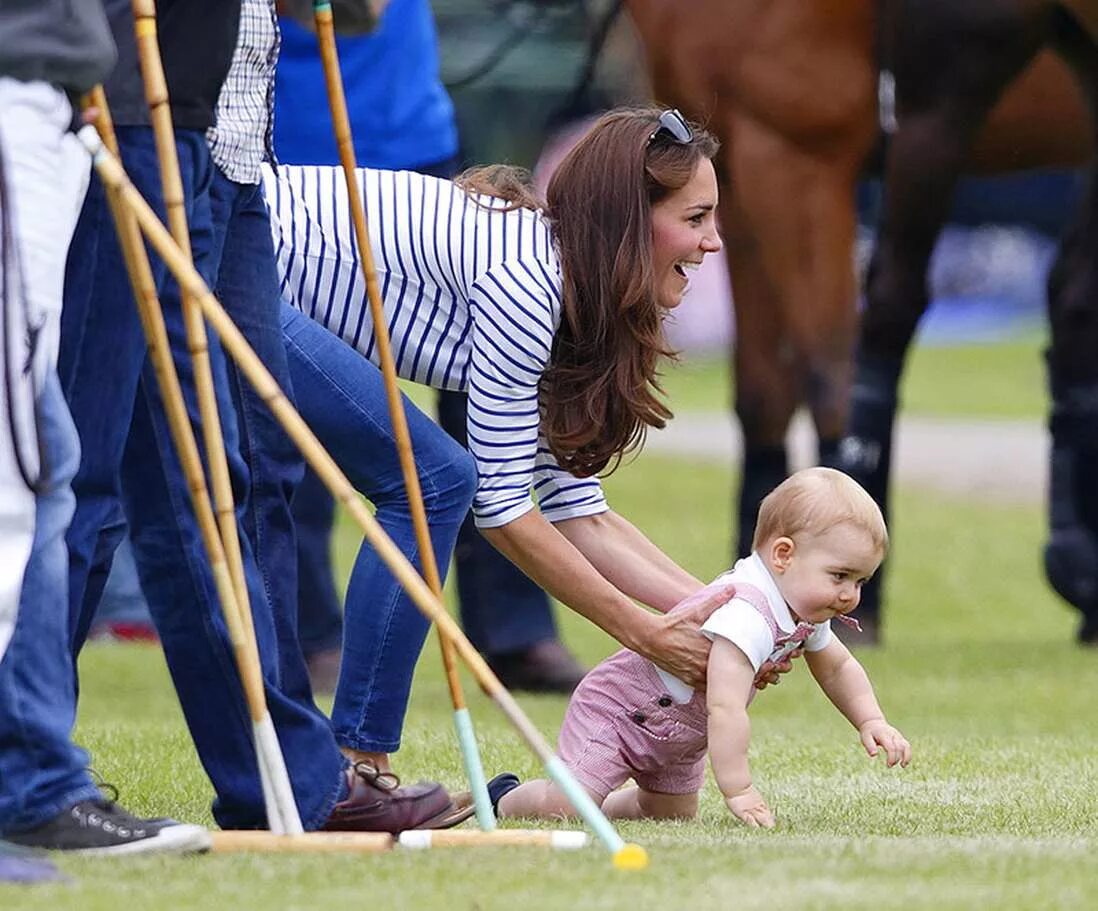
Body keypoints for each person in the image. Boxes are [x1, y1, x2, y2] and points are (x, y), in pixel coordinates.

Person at [59, 0, 465, 834]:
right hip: (144, 123)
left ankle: (284, 774)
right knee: (111, 475)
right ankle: (33, 764)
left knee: (250, 471)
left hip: (235, 147)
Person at [262, 106, 737, 775]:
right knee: (438, 480)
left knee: (439, 477)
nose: (713, 242)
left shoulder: (563, 280)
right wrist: (645, 633)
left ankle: (354, 763)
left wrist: (731, 613)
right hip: (236, 264)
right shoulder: (528, 284)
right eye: (695, 218)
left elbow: (582, 513)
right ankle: (359, 765)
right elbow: (505, 509)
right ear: (627, 224)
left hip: (241, 256)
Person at [273, 0, 584, 695]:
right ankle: (313, 629)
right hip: (290, 145)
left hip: (408, 124)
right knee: (299, 392)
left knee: (497, 384)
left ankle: (512, 628)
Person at [0, 0, 208, 862]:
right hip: (19, 108)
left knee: (43, 465)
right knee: (27, 471)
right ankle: (34, 784)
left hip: (54, 110)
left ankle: (34, 780)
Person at [492, 467, 912, 826]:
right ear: (783, 555)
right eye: (839, 576)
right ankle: (504, 798)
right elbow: (725, 707)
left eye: (860, 582)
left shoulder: (802, 607)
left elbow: (838, 668)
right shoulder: (746, 611)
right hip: (623, 712)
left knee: (668, 813)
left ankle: (604, 803)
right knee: (569, 806)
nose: (850, 596)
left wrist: (870, 720)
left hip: (681, 735)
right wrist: (739, 788)